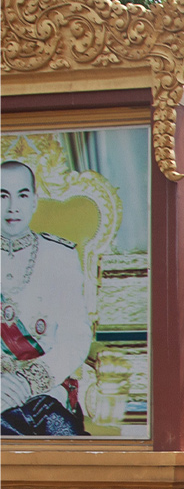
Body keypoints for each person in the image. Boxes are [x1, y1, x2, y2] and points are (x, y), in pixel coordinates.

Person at [1, 159, 92, 436]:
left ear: (34, 201)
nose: (12, 207)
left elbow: (75, 337)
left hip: (45, 390)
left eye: (22, 195)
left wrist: (27, 383)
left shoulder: (59, 256)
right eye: (2, 195)